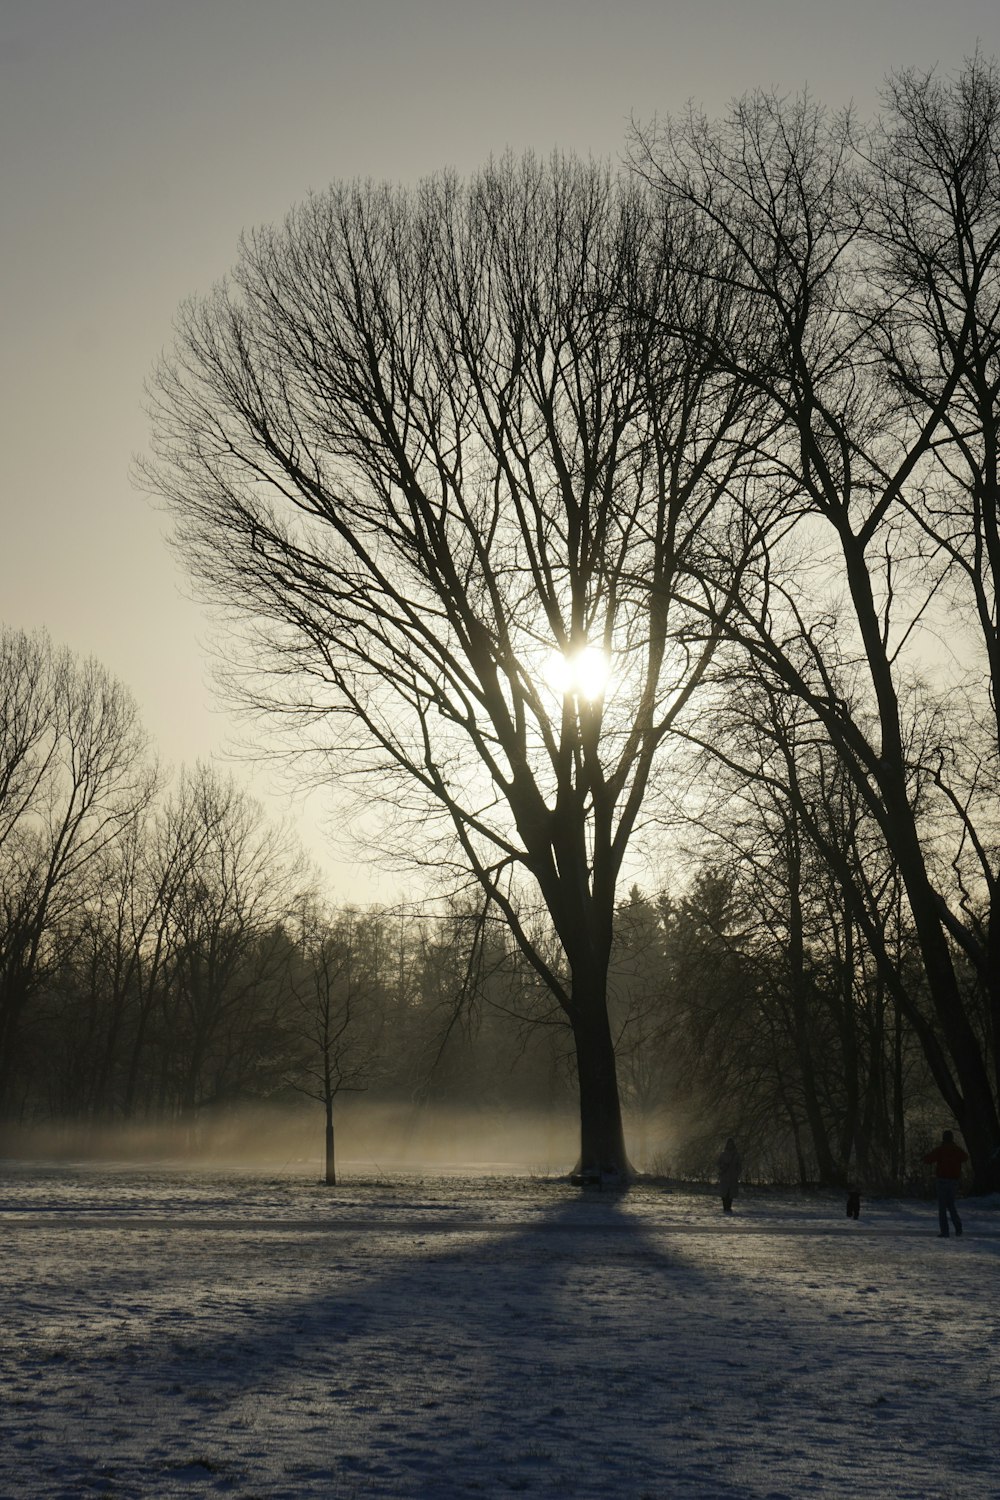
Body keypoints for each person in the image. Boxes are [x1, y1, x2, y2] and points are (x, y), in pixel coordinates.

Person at [923, 1129, 968, 1238]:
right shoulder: (957, 1150)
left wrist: (924, 1157)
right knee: (951, 1204)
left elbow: (928, 1160)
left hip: (942, 1180)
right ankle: (958, 1227)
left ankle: (945, 1231)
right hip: (953, 1181)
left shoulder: (940, 1150)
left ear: (943, 1138)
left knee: (942, 1207)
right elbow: (965, 1157)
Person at [717, 1137, 741, 1213]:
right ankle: (725, 1207)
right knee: (724, 1194)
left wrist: (737, 1173)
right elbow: (718, 1163)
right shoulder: (723, 1154)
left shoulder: (736, 1155)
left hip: (732, 1177)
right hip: (725, 1176)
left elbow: (739, 1165)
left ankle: (728, 1207)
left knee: (730, 1194)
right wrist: (723, 1167)